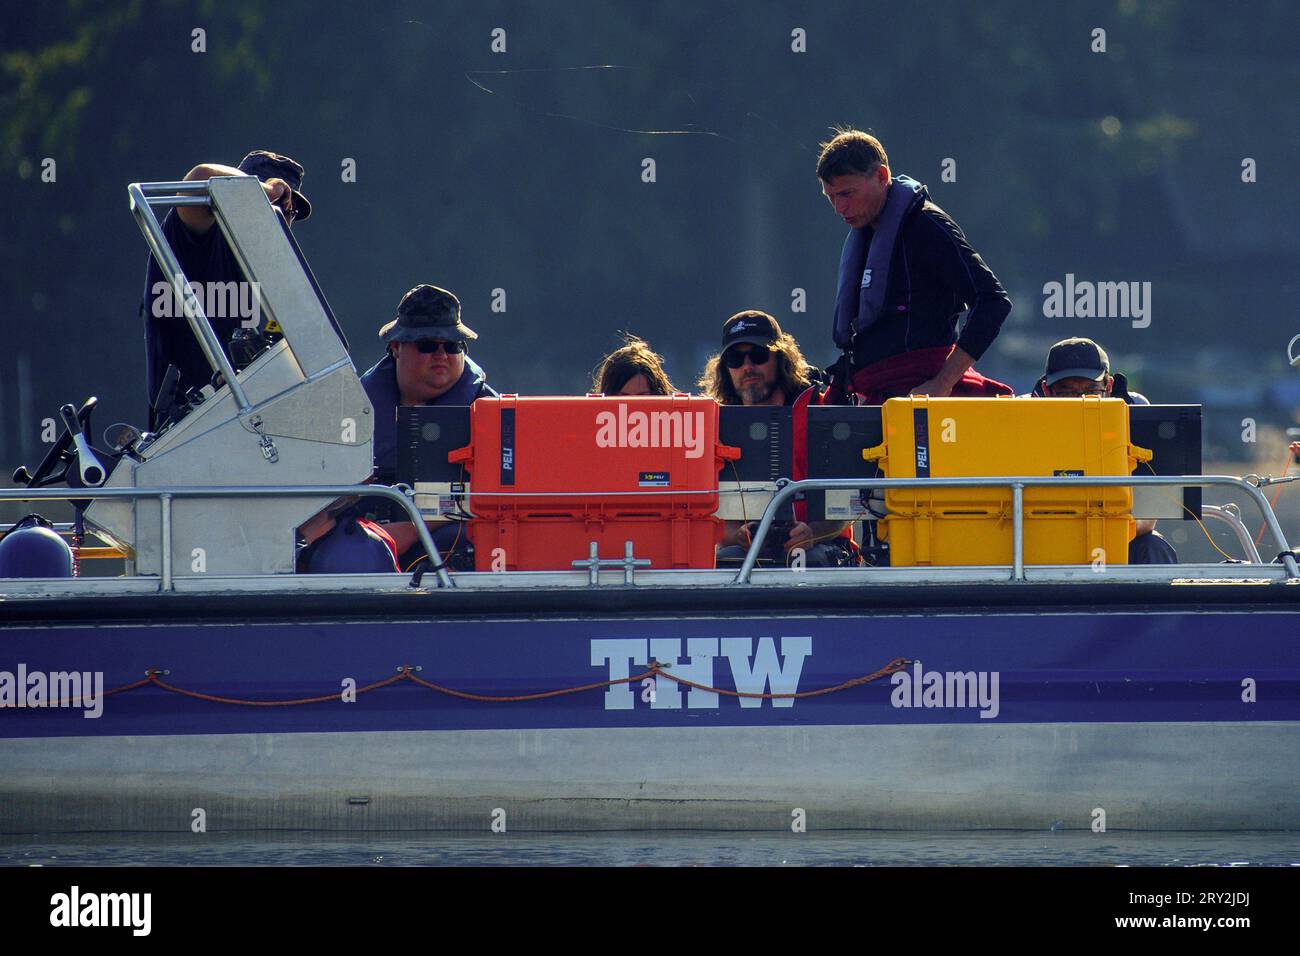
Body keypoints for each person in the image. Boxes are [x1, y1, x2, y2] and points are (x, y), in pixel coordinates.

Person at [817, 128, 1013, 403]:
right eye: (831, 197)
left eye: (847, 193)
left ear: (881, 176)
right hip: (870, 395)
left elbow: (993, 301)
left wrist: (943, 383)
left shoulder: (927, 226)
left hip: (918, 399)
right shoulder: (864, 234)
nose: (839, 207)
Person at [142, 150, 311, 427]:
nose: (282, 219)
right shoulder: (197, 236)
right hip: (181, 432)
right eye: (275, 206)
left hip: (229, 426)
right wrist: (263, 190)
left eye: (287, 211)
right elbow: (200, 176)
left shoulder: (261, 274)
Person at [346, 284, 498, 570]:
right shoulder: (355, 409)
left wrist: (413, 528)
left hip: (447, 542)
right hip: (364, 535)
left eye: (452, 345)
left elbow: (497, 498)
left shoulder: (489, 410)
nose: (441, 354)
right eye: (427, 344)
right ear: (396, 348)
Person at [700, 311, 854, 566]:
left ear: (782, 358)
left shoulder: (819, 410)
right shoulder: (714, 423)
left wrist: (812, 533)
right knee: (722, 566)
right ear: (725, 369)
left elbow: (847, 509)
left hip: (822, 547)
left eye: (758, 355)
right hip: (746, 553)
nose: (747, 367)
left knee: (806, 563)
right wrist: (736, 536)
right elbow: (707, 519)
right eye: (735, 359)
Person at [1029, 337, 1175, 564]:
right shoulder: (1021, 416)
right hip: (1041, 533)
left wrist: (1107, 535)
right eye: (1067, 392)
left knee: (1154, 547)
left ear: (1108, 387)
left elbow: (1150, 514)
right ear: (1047, 390)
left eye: (1090, 390)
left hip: (1120, 532)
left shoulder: (1137, 411)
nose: (1079, 401)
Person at [592, 334, 676, 395]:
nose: (633, 406)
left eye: (642, 397)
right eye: (624, 398)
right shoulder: (589, 419)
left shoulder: (676, 419)